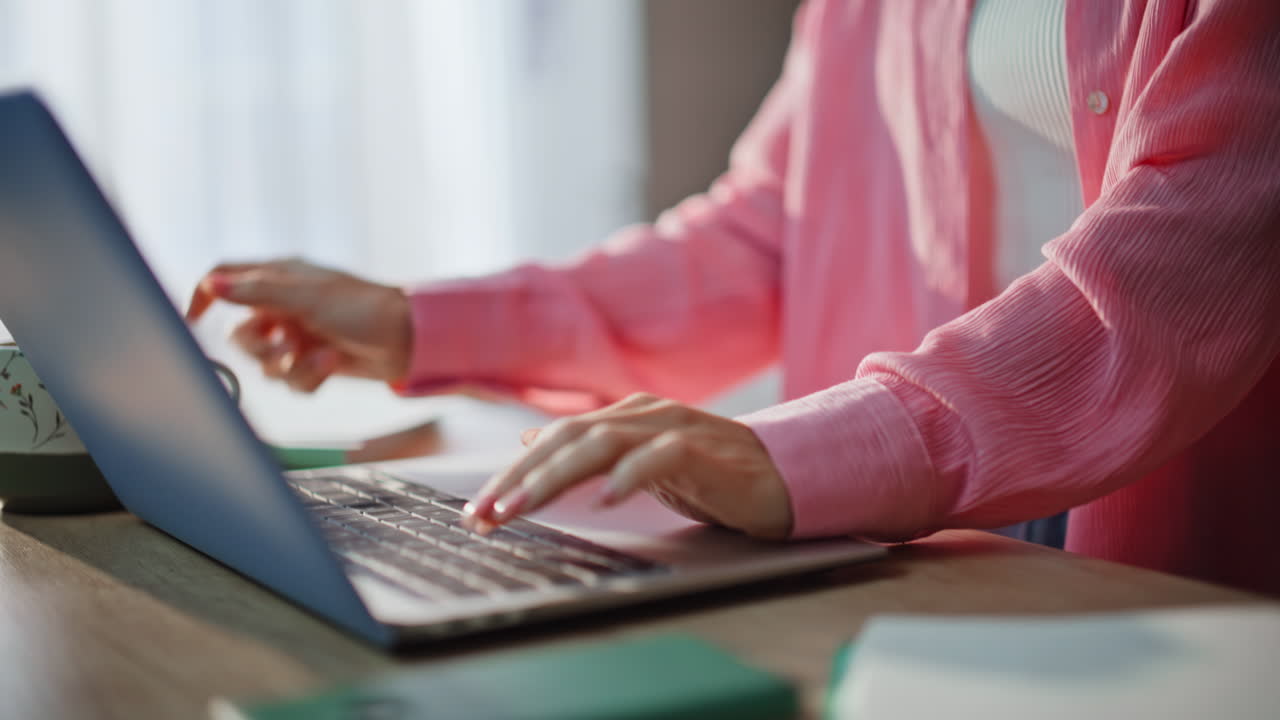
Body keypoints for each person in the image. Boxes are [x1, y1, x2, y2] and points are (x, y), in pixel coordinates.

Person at [188, 0, 1280, 595]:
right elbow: (767, 233)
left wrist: (822, 454)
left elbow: (1189, 252)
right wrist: (420, 324)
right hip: (917, 557)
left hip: (1163, 568)